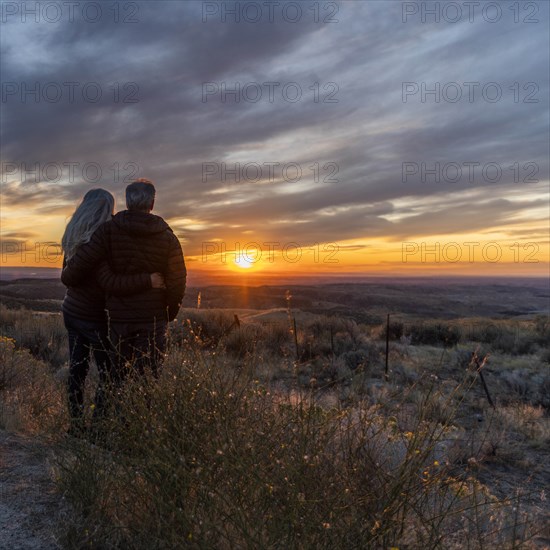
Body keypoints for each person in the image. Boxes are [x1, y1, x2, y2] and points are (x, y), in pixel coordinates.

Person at [61, 188, 166, 436]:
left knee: (77, 369)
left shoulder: (74, 234)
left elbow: (67, 275)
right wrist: (148, 281)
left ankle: (76, 427)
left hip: (71, 312)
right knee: (110, 374)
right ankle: (98, 431)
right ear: (105, 209)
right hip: (92, 317)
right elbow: (107, 281)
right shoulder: (101, 238)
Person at [62, 179, 186, 385]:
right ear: (152, 203)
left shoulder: (105, 232)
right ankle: (137, 416)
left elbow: (76, 274)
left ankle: (104, 417)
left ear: (127, 202)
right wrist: (168, 313)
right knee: (147, 379)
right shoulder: (167, 238)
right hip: (150, 319)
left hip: (117, 320)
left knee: (113, 378)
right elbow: (177, 282)